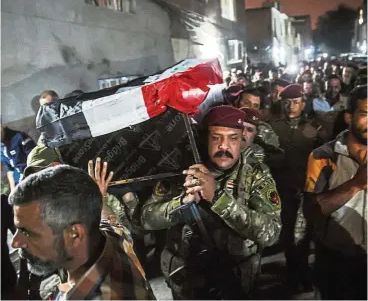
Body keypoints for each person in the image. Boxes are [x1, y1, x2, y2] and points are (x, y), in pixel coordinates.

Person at [140, 106, 281, 299]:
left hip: (235, 279)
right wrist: (181, 204)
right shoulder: (182, 169)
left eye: (233, 138)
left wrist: (218, 198)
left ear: (242, 140)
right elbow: (146, 219)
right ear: (205, 138)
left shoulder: (256, 174)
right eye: (216, 138)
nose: (224, 147)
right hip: (187, 279)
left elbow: (271, 233)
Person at [9, 163, 155, 300]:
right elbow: (111, 224)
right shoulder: (113, 239)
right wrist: (99, 198)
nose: (15, 242)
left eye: (27, 232)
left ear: (75, 234)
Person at [303, 86, 367, 300]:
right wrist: (356, 184)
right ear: (349, 117)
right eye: (366, 114)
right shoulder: (323, 155)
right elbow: (312, 211)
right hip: (337, 261)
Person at [267, 84, 327, 293]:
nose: (291, 106)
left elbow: (321, 153)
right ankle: (294, 274)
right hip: (281, 189)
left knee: (305, 233)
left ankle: (302, 273)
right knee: (287, 234)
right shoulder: (273, 127)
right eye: (287, 103)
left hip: (306, 190)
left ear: (303, 103)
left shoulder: (310, 127)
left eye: (295, 102)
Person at [1, 124, 36, 191]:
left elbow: (34, 158)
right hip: (19, 183)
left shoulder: (20, 136)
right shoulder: (1, 147)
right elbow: (10, 169)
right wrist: (12, 190)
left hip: (31, 177)